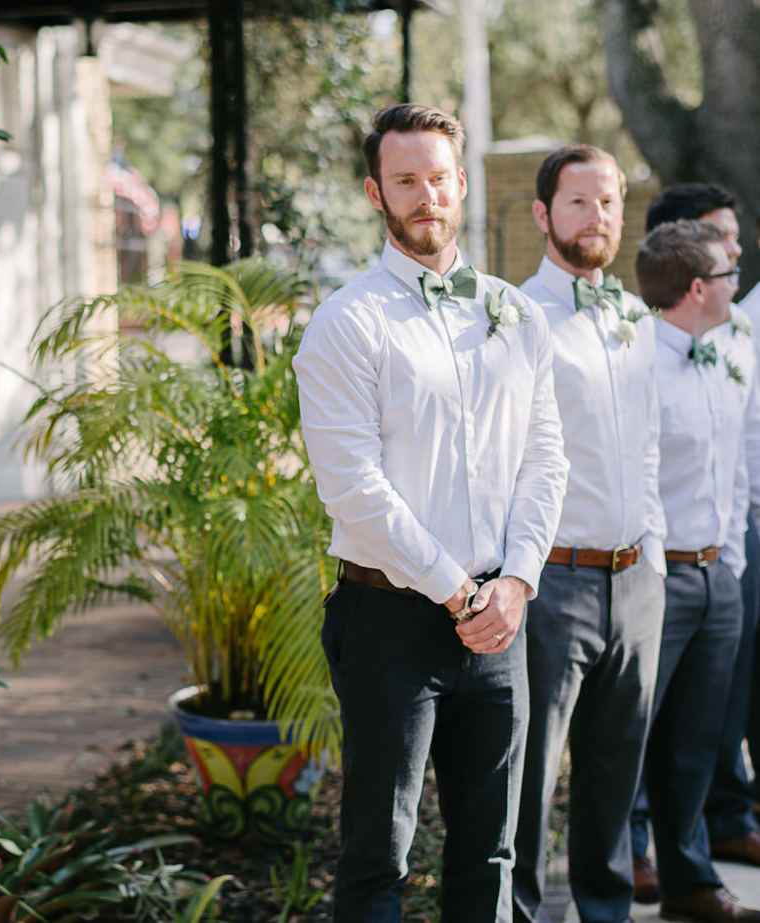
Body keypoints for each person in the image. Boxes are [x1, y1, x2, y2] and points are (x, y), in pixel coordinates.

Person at [293, 104, 566, 921]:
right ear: (375, 192)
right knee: (381, 853)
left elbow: (544, 457)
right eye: (406, 181)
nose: (426, 197)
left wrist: (516, 581)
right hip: (389, 621)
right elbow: (353, 489)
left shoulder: (516, 316)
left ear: (461, 183)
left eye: (439, 178)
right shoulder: (347, 322)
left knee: (491, 849)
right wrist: (458, 591)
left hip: (501, 622)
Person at [508, 144, 667, 923]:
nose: (597, 216)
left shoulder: (637, 318)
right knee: (529, 775)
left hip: (636, 580)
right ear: (543, 214)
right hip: (553, 582)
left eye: (608, 201)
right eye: (579, 202)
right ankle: (523, 913)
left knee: (615, 771)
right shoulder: (516, 319)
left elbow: (646, 447)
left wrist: (656, 564)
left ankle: (603, 912)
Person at [636, 218, 760, 923]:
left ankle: (690, 880)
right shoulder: (641, 363)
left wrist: (733, 568)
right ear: (694, 289)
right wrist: (659, 576)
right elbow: (639, 478)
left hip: (721, 578)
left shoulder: (726, 352)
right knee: (635, 734)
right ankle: (624, 866)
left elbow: (736, 466)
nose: (736, 284)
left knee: (698, 740)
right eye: (726, 275)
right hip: (661, 578)